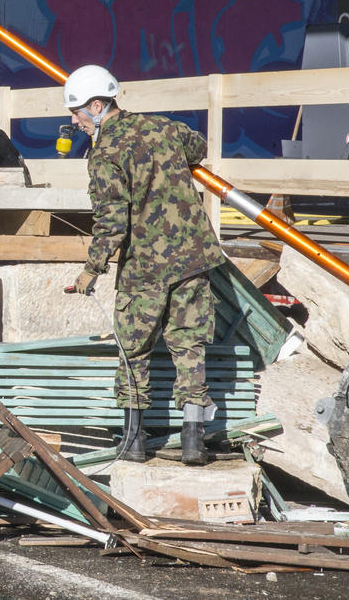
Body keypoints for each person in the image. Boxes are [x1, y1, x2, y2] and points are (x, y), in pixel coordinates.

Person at [62, 66, 226, 465]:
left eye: (78, 112)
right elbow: (198, 146)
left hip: (145, 268)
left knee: (133, 350)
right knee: (190, 347)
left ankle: (133, 443)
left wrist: (90, 271)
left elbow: (112, 222)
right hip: (192, 258)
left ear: (98, 107)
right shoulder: (164, 129)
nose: (73, 121)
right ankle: (193, 442)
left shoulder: (104, 155)